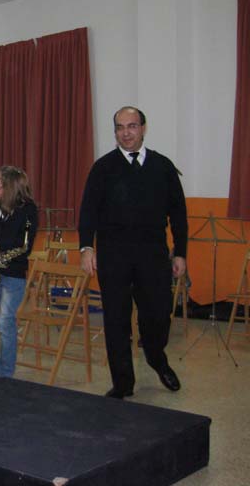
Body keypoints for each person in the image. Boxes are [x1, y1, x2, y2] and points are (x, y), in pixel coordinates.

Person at [79, 106, 187, 399]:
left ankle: (156, 356)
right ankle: (123, 382)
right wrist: (86, 247)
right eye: (120, 127)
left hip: (153, 254)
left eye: (132, 126)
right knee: (116, 319)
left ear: (143, 128)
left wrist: (180, 252)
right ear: (115, 131)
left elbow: (178, 213)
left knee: (158, 314)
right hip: (113, 255)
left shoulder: (163, 167)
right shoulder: (103, 168)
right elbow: (88, 211)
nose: (126, 133)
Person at [0, 166, 37, 380]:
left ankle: (5, 374)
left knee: (5, 321)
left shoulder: (28, 211)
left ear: (9, 187)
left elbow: (25, 244)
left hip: (14, 273)